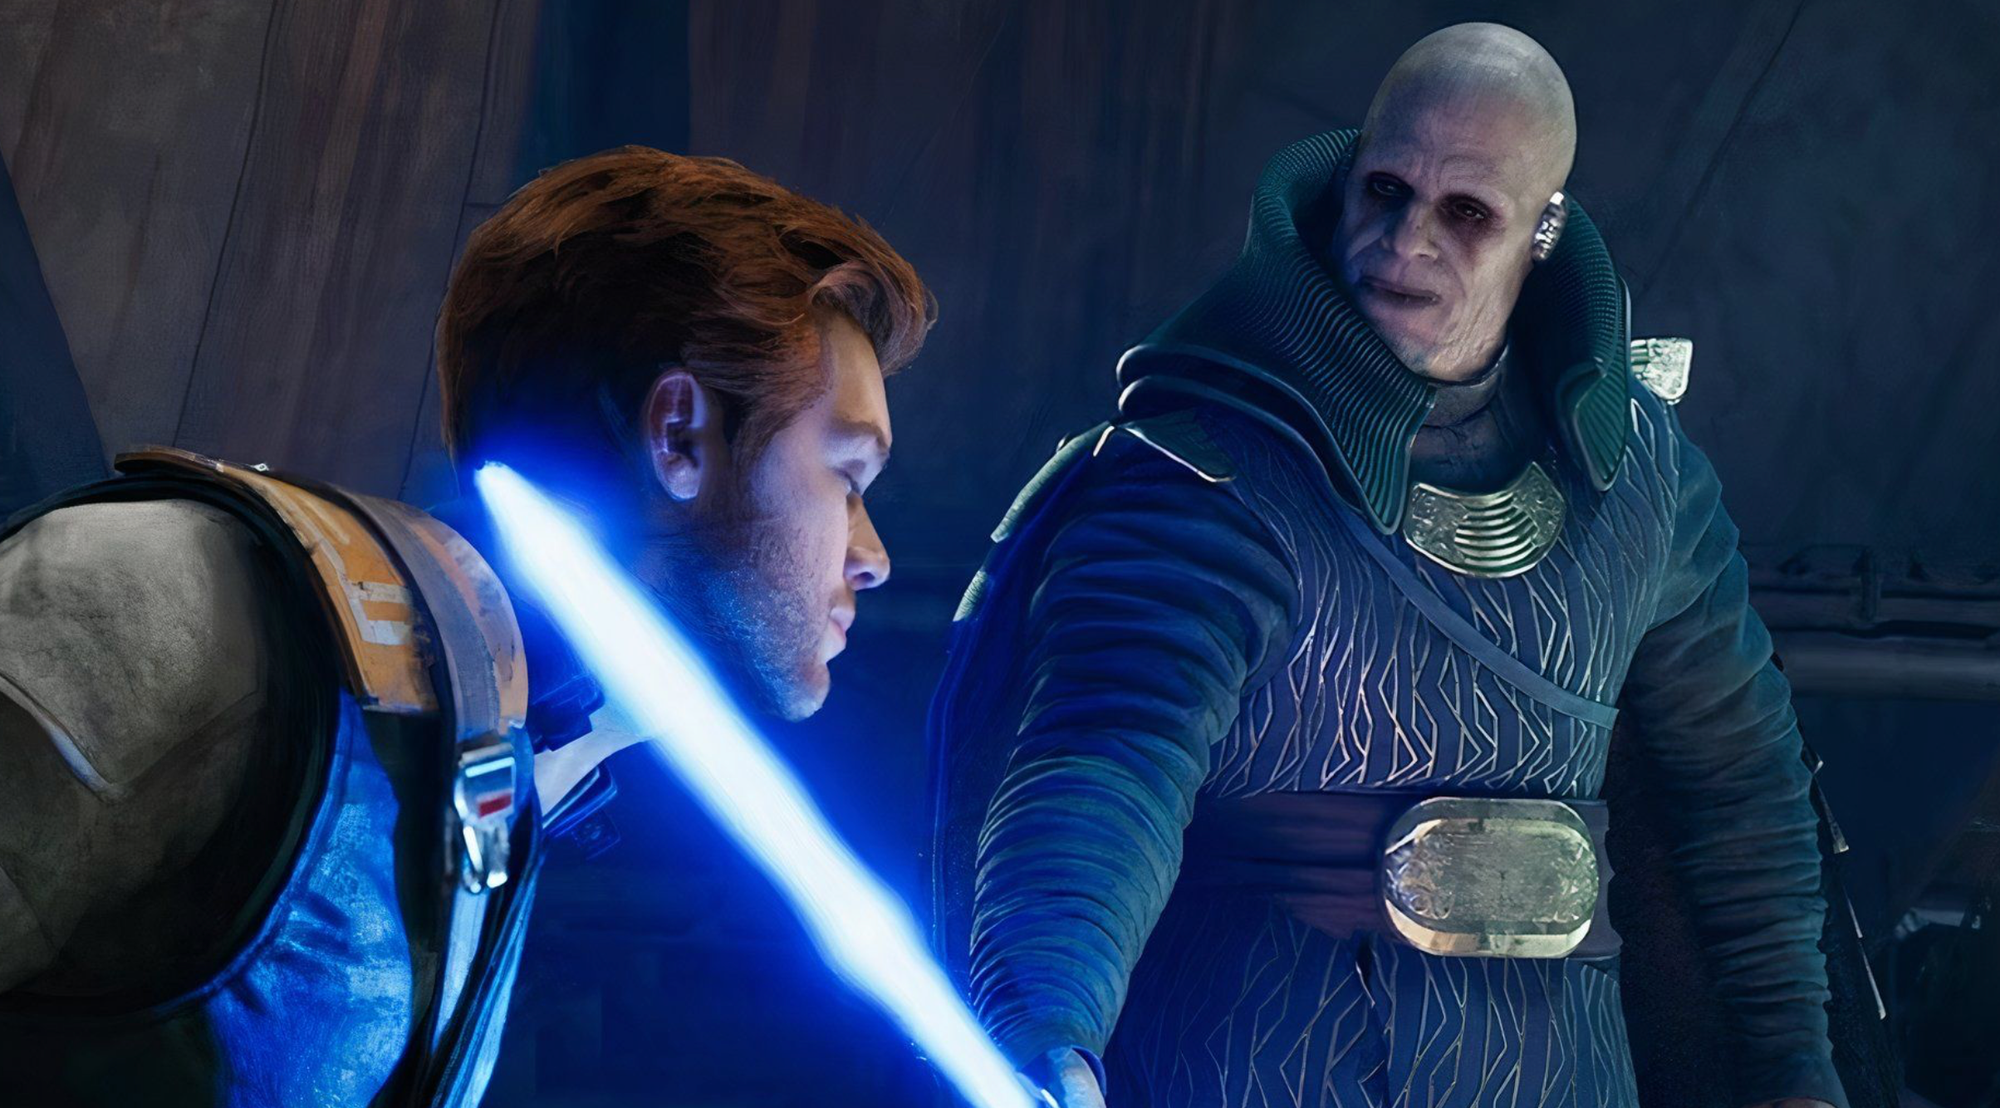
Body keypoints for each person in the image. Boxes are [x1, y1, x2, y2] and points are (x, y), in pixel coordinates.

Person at [931, 24, 1845, 1108]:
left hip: (1563, 1067)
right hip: (1250, 1058)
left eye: (1467, 212)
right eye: (1385, 190)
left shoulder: (1641, 475)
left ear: (1544, 229)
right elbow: (1108, 757)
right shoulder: (1208, 464)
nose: (1407, 239)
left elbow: (1738, 786)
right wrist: (1048, 1030)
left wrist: (1791, 1068)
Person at [0, 148, 932, 1107]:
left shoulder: (501, 777)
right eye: (847, 477)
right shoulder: (174, 605)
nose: (873, 557)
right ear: (680, 437)